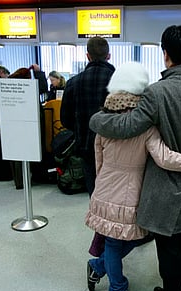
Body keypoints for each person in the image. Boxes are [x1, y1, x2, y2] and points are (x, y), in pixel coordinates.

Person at [89, 25, 181, 291]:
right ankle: (178, 284)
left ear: (165, 54)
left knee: (166, 243)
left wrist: (95, 122)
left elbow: (128, 126)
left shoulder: (156, 93)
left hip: (160, 185)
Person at [60, 36, 115, 196]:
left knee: (94, 190)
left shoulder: (73, 83)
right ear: (108, 56)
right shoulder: (120, 82)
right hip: (114, 147)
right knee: (114, 192)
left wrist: (80, 129)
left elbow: (65, 119)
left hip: (85, 147)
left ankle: (95, 217)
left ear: (88, 56)